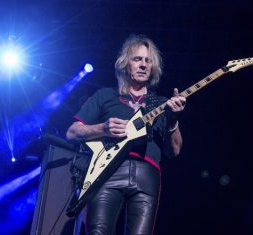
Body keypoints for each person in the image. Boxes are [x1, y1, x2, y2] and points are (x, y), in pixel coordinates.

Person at [66, 34, 186, 235]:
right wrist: (102, 128)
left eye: (148, 61)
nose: (143, 65)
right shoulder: (105, 96)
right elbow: (72, 132)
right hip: (107, 173)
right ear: (125, 64)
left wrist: (173, 120)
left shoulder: (162, 103)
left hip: (147, 176)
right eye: (137, 59)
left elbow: (174, 151)